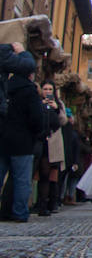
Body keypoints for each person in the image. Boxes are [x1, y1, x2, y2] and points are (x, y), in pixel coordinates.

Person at [0, 42, 41, 222]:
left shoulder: (6, 88)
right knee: (22, 180)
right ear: (30, 76)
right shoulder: (30, 91)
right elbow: (36, 119)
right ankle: (19, 213)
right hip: (22, 141)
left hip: (2, 138)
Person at [35, 80, 67, 216]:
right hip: (41, 141)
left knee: (52, 174)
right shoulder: (37, 102)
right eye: (45, 89)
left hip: (54, 142)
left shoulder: (59, 104)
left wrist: (57, 109)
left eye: (50, 89)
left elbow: (64, 121)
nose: (47, 92)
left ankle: (51, 202)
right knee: (41, 172)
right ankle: (40, 203)